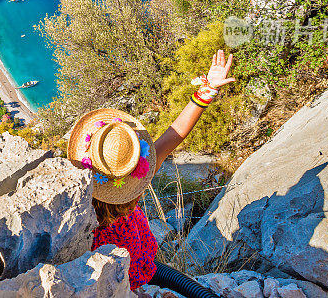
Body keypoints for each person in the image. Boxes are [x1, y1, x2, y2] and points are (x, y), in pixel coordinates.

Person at [67, 49, 235, 292]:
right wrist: (207, 90)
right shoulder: (132, 189)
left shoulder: (76, 217)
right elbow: (174, 134)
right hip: (141, 277)